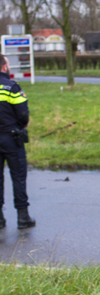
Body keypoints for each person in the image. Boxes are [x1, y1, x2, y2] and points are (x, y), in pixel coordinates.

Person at [0, 55, 35, 230]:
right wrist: (21, 124)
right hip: (11, 139)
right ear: (4, 66)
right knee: (18, 177)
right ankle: (23, 218)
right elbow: (23, 114)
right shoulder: (11, 87)